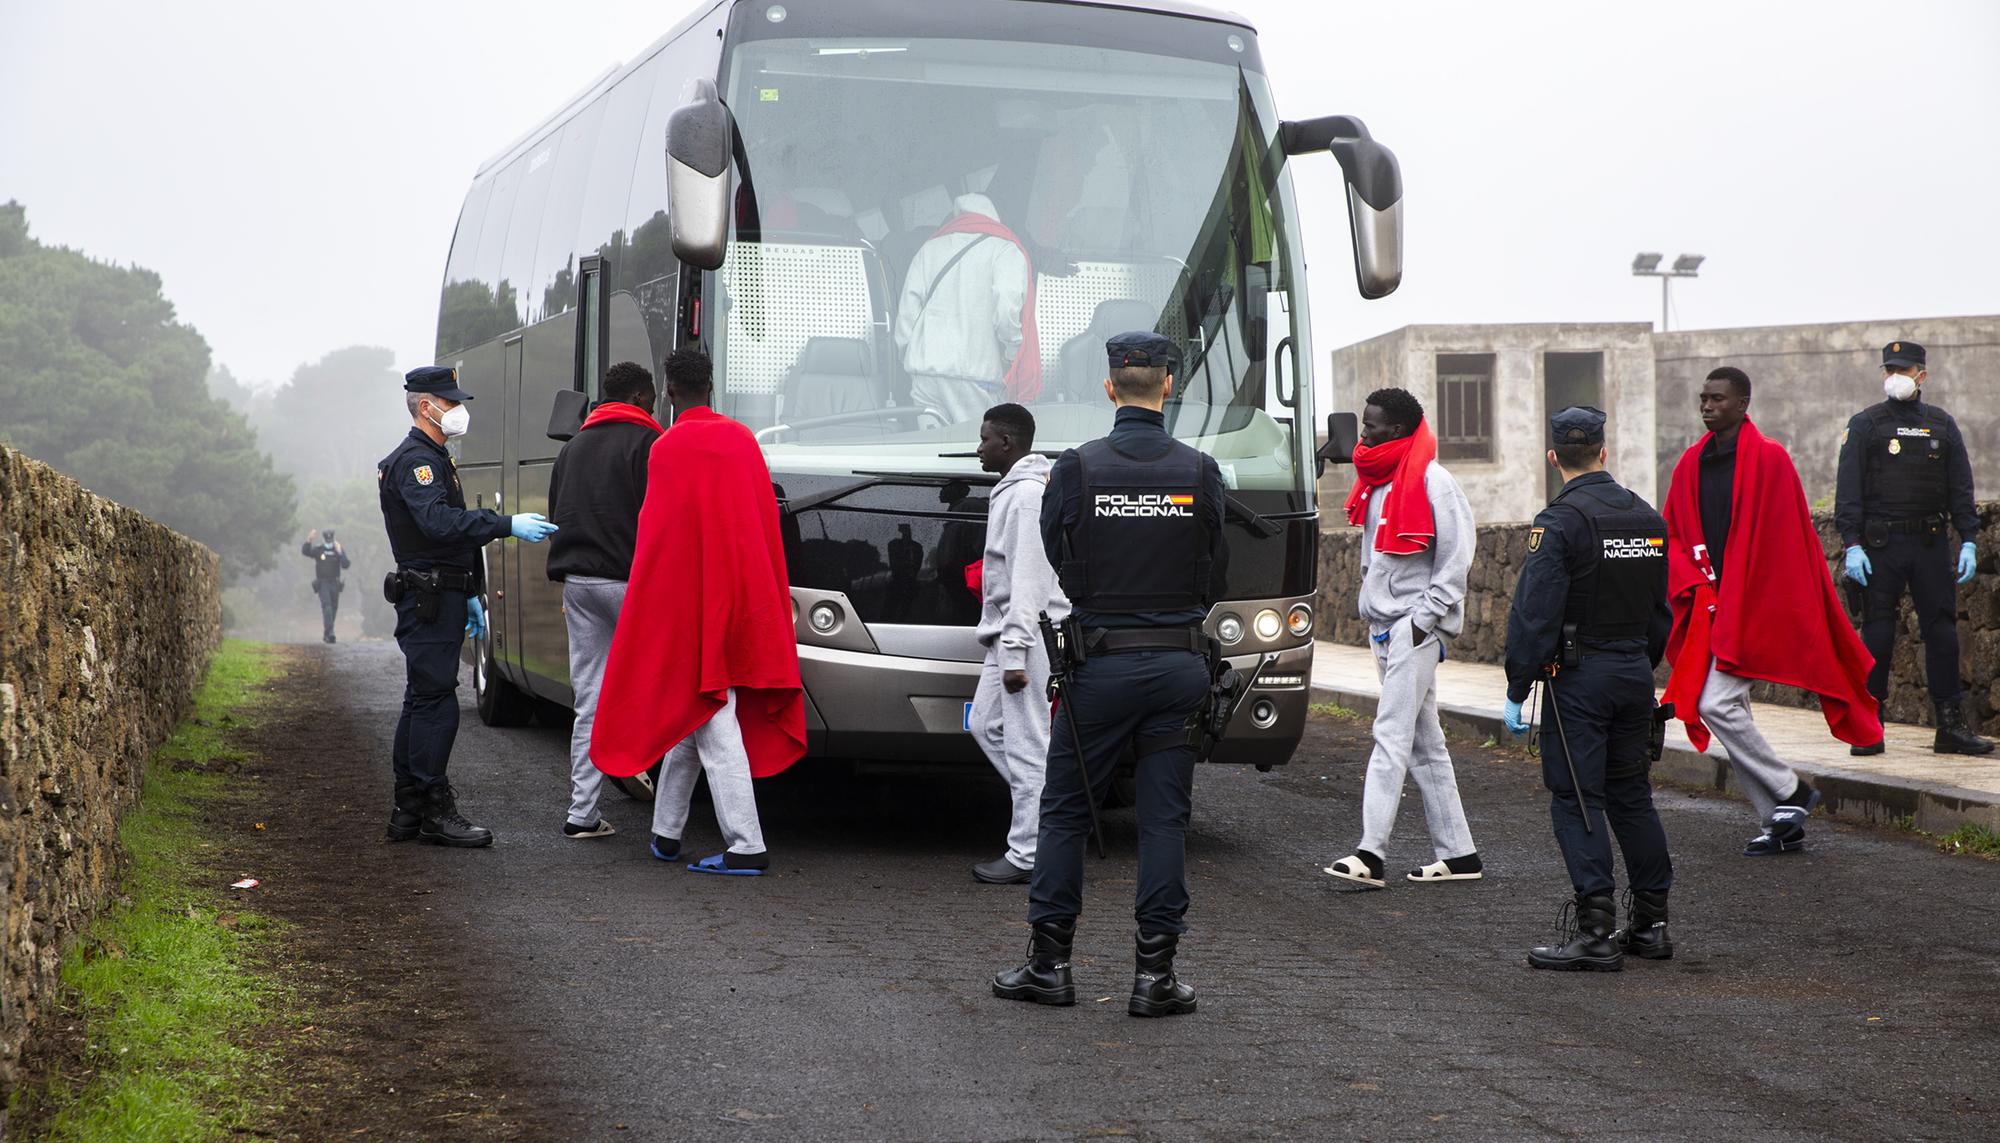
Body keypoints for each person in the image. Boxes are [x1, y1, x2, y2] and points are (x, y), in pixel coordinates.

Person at [992, 331, 1223, 1019]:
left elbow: (1058, 553)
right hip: (1179, 662)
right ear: (1170, 387)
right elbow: (1217, 571)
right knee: (1163, 820)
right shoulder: (1200, 470)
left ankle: (1049, 965)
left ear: (1110, 388)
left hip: (1100, 662)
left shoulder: (1078, 468)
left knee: (1063, 809)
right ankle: (1154, 977)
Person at [590, 348, 806, 875]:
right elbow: (764, 529)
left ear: (668, 391)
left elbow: (659, 543)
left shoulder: (666, 448)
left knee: (712, 711)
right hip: (744, 598)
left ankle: (746, 844)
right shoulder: (743, 441)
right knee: (697, 707)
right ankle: (666, 832)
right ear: (712, 386)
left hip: (691, 603)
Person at [1659, 367, 1881, 856]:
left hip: (1759, 604)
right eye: (1704, 398)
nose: (1707, 406)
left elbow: (1787, 541)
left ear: (1743, 404)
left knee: (1714, 703)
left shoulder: (1770, 459)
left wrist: (1750, 593)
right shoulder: (1690, 464)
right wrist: (1697, 584)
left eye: (1718, 399)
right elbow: (1673, 533)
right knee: (1729, 707)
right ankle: (1780, 824)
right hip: (1711, 605)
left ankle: (1791, 790)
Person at [1501, 407, 1674, 972]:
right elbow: (1659, 614)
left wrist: (1517, 682)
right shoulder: (1648, 518)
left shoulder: (1558, 523)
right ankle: (1651, 926)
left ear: (1554, 457)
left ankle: (1596, 932)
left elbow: (1535, 613)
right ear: (1606, 451)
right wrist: (1638, 666)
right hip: (1632, 675)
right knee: (1631, 797)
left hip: (1580, 679)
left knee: (1579, 799)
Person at [378, 365, 558, 847]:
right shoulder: (417, 461)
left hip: (441, 593)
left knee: (421, 699)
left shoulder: (432, 456)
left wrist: (473, 592)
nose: (458, 411)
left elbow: (444, 539)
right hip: (430, 598)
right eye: (450, 402)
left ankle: (409, 808)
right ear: (426, 406)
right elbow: (439, 524)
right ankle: (434, 810)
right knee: (437, 704)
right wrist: (505, 523)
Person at [1322, 388, 1483, 891]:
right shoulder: (1378, 481)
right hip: (1385, 629)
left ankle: (1371, 852)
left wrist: (1424, 619)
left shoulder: (1435, 482)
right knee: (1424, 744)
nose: (1363, 434)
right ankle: (1459, 854)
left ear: (1396, 430)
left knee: (1389, 734)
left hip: (1413, 628)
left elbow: (1457, 557)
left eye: (1371, 426)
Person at [1834, 340, 1991, 756]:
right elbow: (1847, 492)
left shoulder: (1941, 425)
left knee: (1942, 633)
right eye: (1890, 369)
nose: (1896, 377)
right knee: (1878, 634)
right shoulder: (1866, 424)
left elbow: (1961, 488)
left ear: (1922, 375)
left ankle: (1950, 727)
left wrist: (1971, 539)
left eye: (1904, 370)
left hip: (1929, 543)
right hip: (1880, 545)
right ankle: (1870, 725)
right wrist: (1852, 544)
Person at [546, 361, 664, 840]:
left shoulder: (572, 448)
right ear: (639, 397)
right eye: (653, 400)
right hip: (629, 583)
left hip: (577, 583)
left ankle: (582, 814)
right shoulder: (649, 443)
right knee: (662, 688)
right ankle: (669, 814)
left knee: (589, 696)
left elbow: (557, 512)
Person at [968, 402, 1070, 885]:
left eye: (985, 438)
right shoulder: (1014, 490)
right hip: (1012, 635)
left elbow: (1029, 580)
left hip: (1026, 637)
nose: (979, 447)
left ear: (1007, 444)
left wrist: (1013, 651)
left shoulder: (1027, 495)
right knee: (986, 726)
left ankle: (1028, 853)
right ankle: (1055, 817)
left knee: (1029, 744)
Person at [894, 191, 1042, 424]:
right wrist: (1011, 350)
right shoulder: (1005, 250)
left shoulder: (930, 248)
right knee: (973, 452)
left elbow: (906, 314)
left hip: (924, 374)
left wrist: (910, 356)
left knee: (931, 453)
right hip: (976, 374)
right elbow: (1006, 304)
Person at [302, 528, 351, 643]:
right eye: (327, 538)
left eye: (330, 538)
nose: (329, 540)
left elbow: (346, 564)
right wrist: (309, 540)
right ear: (324, 538)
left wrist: (340, 552)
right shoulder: (319, 550)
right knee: (327, 607)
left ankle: (327, 633)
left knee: (333, 608)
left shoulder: (337, 549)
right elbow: (306, 552)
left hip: (335, 583)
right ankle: (330, 633)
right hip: (323, 583)